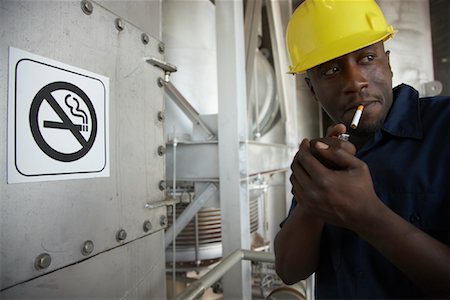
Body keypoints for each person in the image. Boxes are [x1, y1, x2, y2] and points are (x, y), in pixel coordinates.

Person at [274, 0, 450, 299]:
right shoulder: (323, 159)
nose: (355, 82)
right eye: (331, 70)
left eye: (367, 58)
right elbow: (290, 270)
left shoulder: (444, 128)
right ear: (313, 90)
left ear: (388, 63)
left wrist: (366, 215)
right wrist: (311, 202)